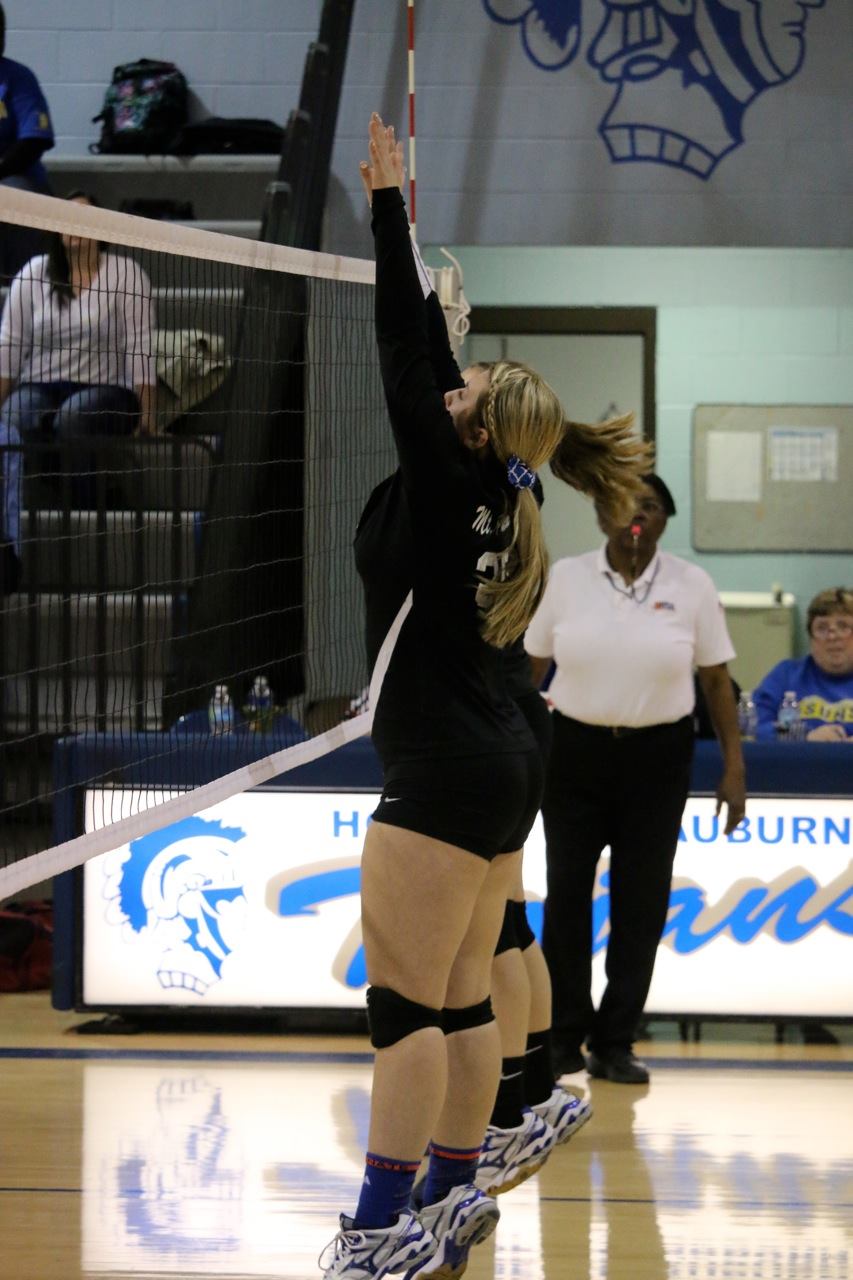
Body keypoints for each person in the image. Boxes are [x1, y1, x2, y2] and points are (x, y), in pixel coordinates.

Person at [320, 113, 568, 1280]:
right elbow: (421, 351)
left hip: (448, 766)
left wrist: (386, 211)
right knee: (462, 998)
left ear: (470, 418)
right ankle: (455, 1192)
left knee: (405, 1011)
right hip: (497, 757)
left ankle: (380, 1225)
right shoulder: (501, 491)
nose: (453, 379)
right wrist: (412, 249)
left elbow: (398, 350)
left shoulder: (441, 475)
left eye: (465, 385)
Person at [525, 474, 746, 1085]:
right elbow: (532, 667)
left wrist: (734, 766)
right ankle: (563, 1036)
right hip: (573, 752)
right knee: (566, 896)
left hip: (658, 758)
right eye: (625, 506)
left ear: (666, 520)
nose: (637, 517)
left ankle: (615, 1041)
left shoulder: (692, 584)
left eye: (650, 506)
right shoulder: (567, 578)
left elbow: (716, 679)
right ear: (602, 516)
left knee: (641, 902)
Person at [0, 191, 156, 588]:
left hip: (108, 390)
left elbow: (140, 347)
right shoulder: (33, 274)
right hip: (41, 384)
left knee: (74, 417)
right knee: (17, 416)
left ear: (101, 229)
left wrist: (148, 414)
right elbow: (9, 349)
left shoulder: (125, 273)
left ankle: (86, 514)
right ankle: (70, 497)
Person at [752, 587, 853, 742]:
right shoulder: (785, 675)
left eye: (843, 626)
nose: (832, 637)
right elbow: (753, 728)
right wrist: (803, 736)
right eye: (822, 628)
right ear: (811, 638)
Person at [0, 3, 55, 279]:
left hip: (13, 178)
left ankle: (24, 291)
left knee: (15, 197)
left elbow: (33, 141)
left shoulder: (17, 77)